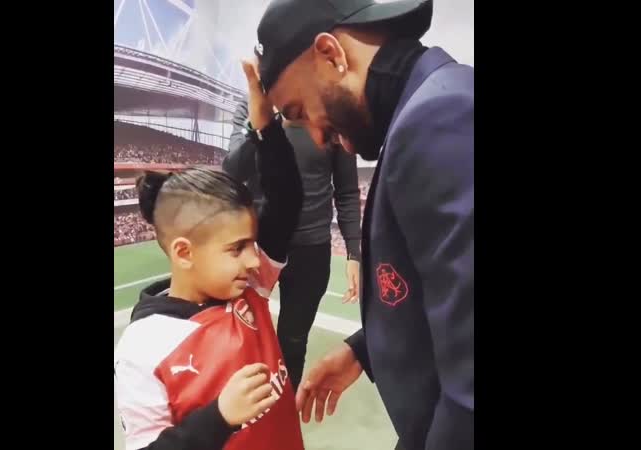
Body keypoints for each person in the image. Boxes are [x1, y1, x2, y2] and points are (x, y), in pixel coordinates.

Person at [252, 1, 474, 449]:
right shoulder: (432, 103)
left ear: (331, 53)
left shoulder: (438, 119)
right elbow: (448, 295)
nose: (317, 138)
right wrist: (363, 349)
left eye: (299, 110)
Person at [113, 60, 305, 449]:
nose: (254, 260)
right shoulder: (142, 346)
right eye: (236, 248)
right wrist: (219, 419)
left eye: (252, 243)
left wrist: (265, 126)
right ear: (184, 253)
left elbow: (286, 199)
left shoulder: (251, 286)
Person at [223, 94, 362, 391]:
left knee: (293, 342)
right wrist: (263, 120)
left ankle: (284, 409)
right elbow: (233, 170)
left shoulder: (331, 111)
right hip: (258, 247)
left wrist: (354, 251)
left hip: (311, 249)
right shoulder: (248, 109)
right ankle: (244, 411)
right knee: (243, 336)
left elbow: (347, 191)